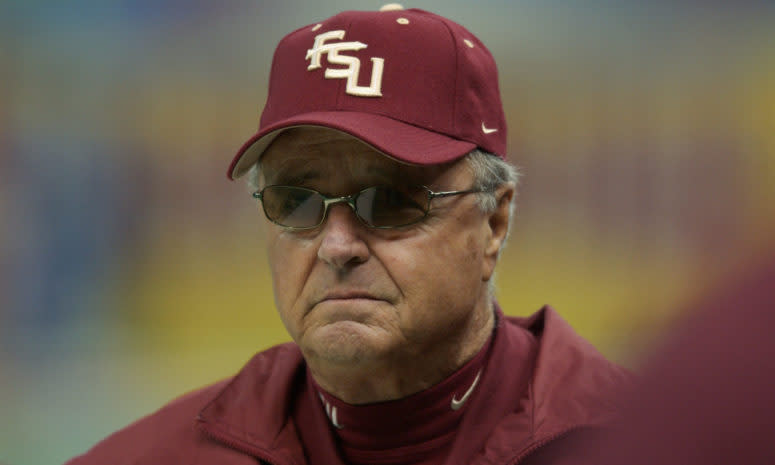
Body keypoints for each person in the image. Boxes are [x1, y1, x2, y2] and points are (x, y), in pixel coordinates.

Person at [66, 5, 632, 465]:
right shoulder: (154, 457)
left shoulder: (649, 440)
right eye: (298, 201)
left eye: (390, 202)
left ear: (494, 223)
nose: (337, 246)